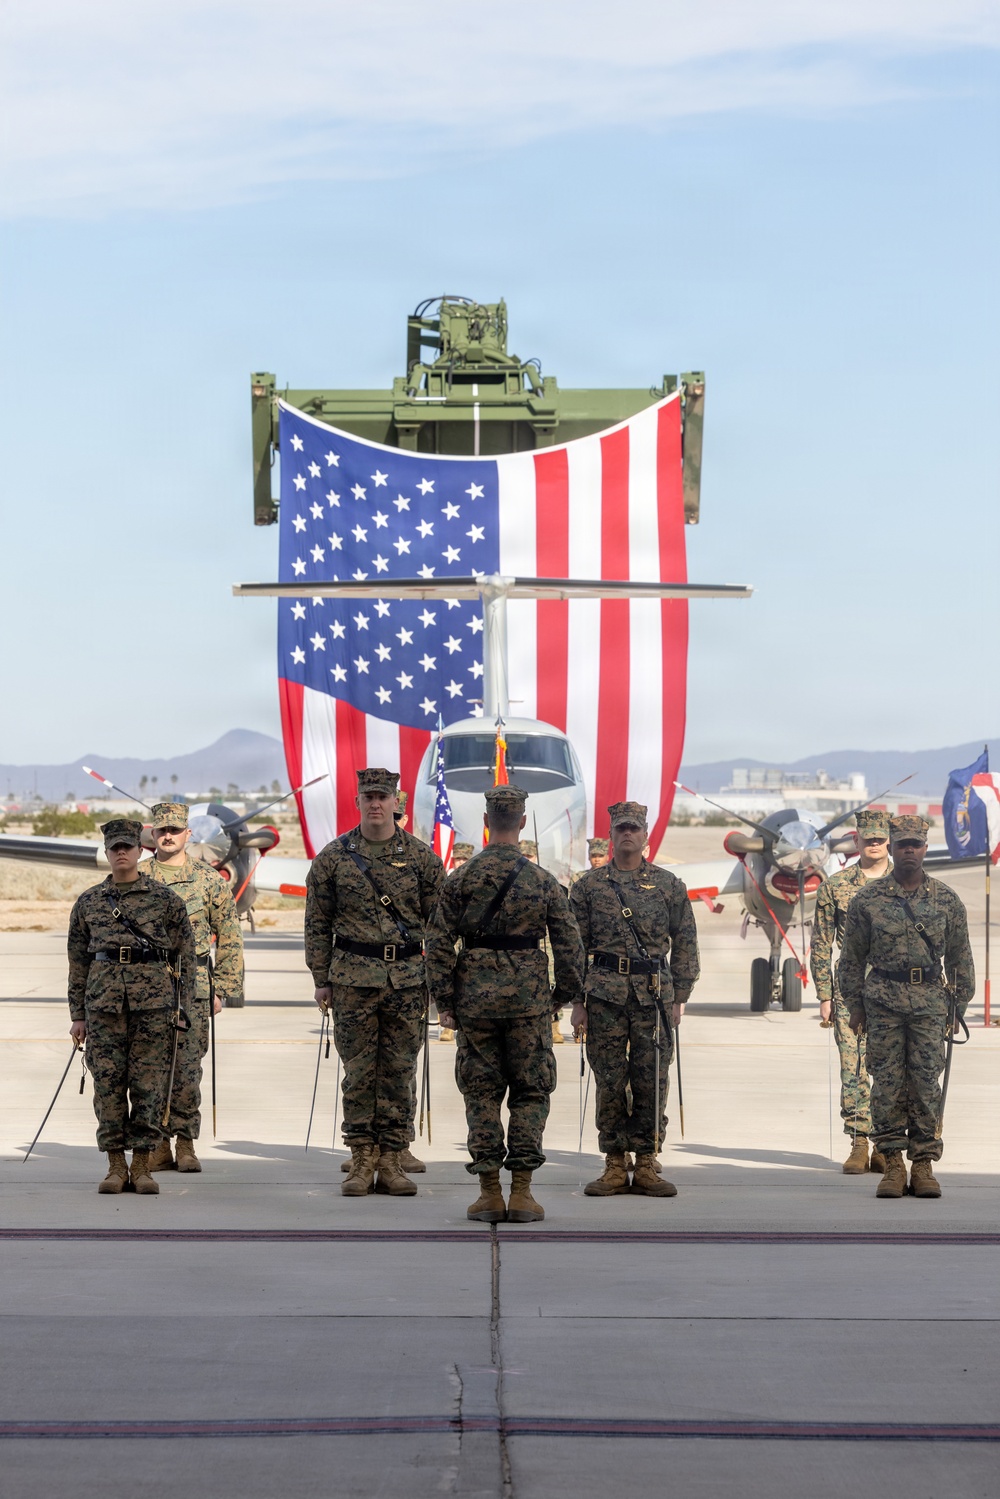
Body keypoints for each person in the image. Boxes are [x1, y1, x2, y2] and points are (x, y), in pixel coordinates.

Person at [425, 784, 584, 1223]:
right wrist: (559, 997)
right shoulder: (542, 881)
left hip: (475, 1003)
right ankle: (523, 1193)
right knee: (530, 1093)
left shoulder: (461, 879)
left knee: (481, 1094)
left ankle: (488, 1193)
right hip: (529, 1004)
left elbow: (437, 944)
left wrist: (445, 1001)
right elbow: (570, 947)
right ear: (523, 822)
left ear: (485, 821)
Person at [306, 767, 444, 1197]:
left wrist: (438, 981)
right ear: (358, 801)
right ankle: (362, 1159)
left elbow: (439, 926)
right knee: (359, 1072)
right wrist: (321, 977)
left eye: (383, 796)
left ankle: (392, 1158)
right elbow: (317, 922)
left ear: (396, 801)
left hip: (406, 981)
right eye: (368, 796)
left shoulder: (422, 859)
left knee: (399, 1071)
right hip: (352, 980)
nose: (376, 803)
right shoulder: (334, 857)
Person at [839, 815, 975, 1200]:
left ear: (925, 849)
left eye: (915, 844)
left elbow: (961, 959)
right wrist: (855, 1006)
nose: (909, 850)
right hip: (882, 1003)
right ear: (893, 850)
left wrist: (957, 1006)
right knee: (886, 1085)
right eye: (902, 845)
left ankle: (924, 1165)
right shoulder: (868, 900)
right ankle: (894, 1164)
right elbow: (851, 958)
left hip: (931, 1005)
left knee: (926, 1085)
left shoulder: (946, 899)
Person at [570, 800, 700, 1198]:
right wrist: (577, 1002)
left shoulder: (668, 885)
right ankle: (613, 1162)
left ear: (645, 836)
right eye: (621, 828)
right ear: (611, 835)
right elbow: (574, 947)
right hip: (604, 996)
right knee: (609, 1078)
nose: (627, 834)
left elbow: (686, 940)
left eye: (634, 829)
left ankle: (645, 1161)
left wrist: (681, 994)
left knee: (651, 1079)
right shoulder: (588, 886)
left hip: (654, 997)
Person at [66, 819, 195, 1195]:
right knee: (107, 1087)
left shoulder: (165, 900)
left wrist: (182, 1009)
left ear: (141, 851)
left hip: (154, 1008)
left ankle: (142, 1165)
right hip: (103, 1008)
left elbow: (184, 957)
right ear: (107, 853)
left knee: (148, 1087)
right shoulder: (88, 903)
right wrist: (77, 1015)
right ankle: (115, 1166)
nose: (122, 852)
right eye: (114, 848)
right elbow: (78, 963)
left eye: (128, 846)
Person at [143, 803, 244, 1173]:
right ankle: (156, 1144)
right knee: (149, 1069)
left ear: (188, 834)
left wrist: (224, 987)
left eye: (174, 830)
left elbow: (230, 933)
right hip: (147, 987)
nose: (167, 836)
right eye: (161, 830)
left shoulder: (208, 878)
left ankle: (185, 1143)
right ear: (152, 835)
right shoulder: (136, 877)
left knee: (187, 1070)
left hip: (194, 986)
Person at [810, 809, 891, 1175]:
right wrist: (825, 995)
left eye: (879, 838)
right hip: (851, 992)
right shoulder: (835, 886)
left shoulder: (908, 883)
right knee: (853, 1068)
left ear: (888, 841)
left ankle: (887, 1145)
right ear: (856, 841)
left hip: (896, 990)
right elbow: (822, 944)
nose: (873, 843)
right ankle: (859, 1141)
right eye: (867, 838)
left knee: (891, 1068)